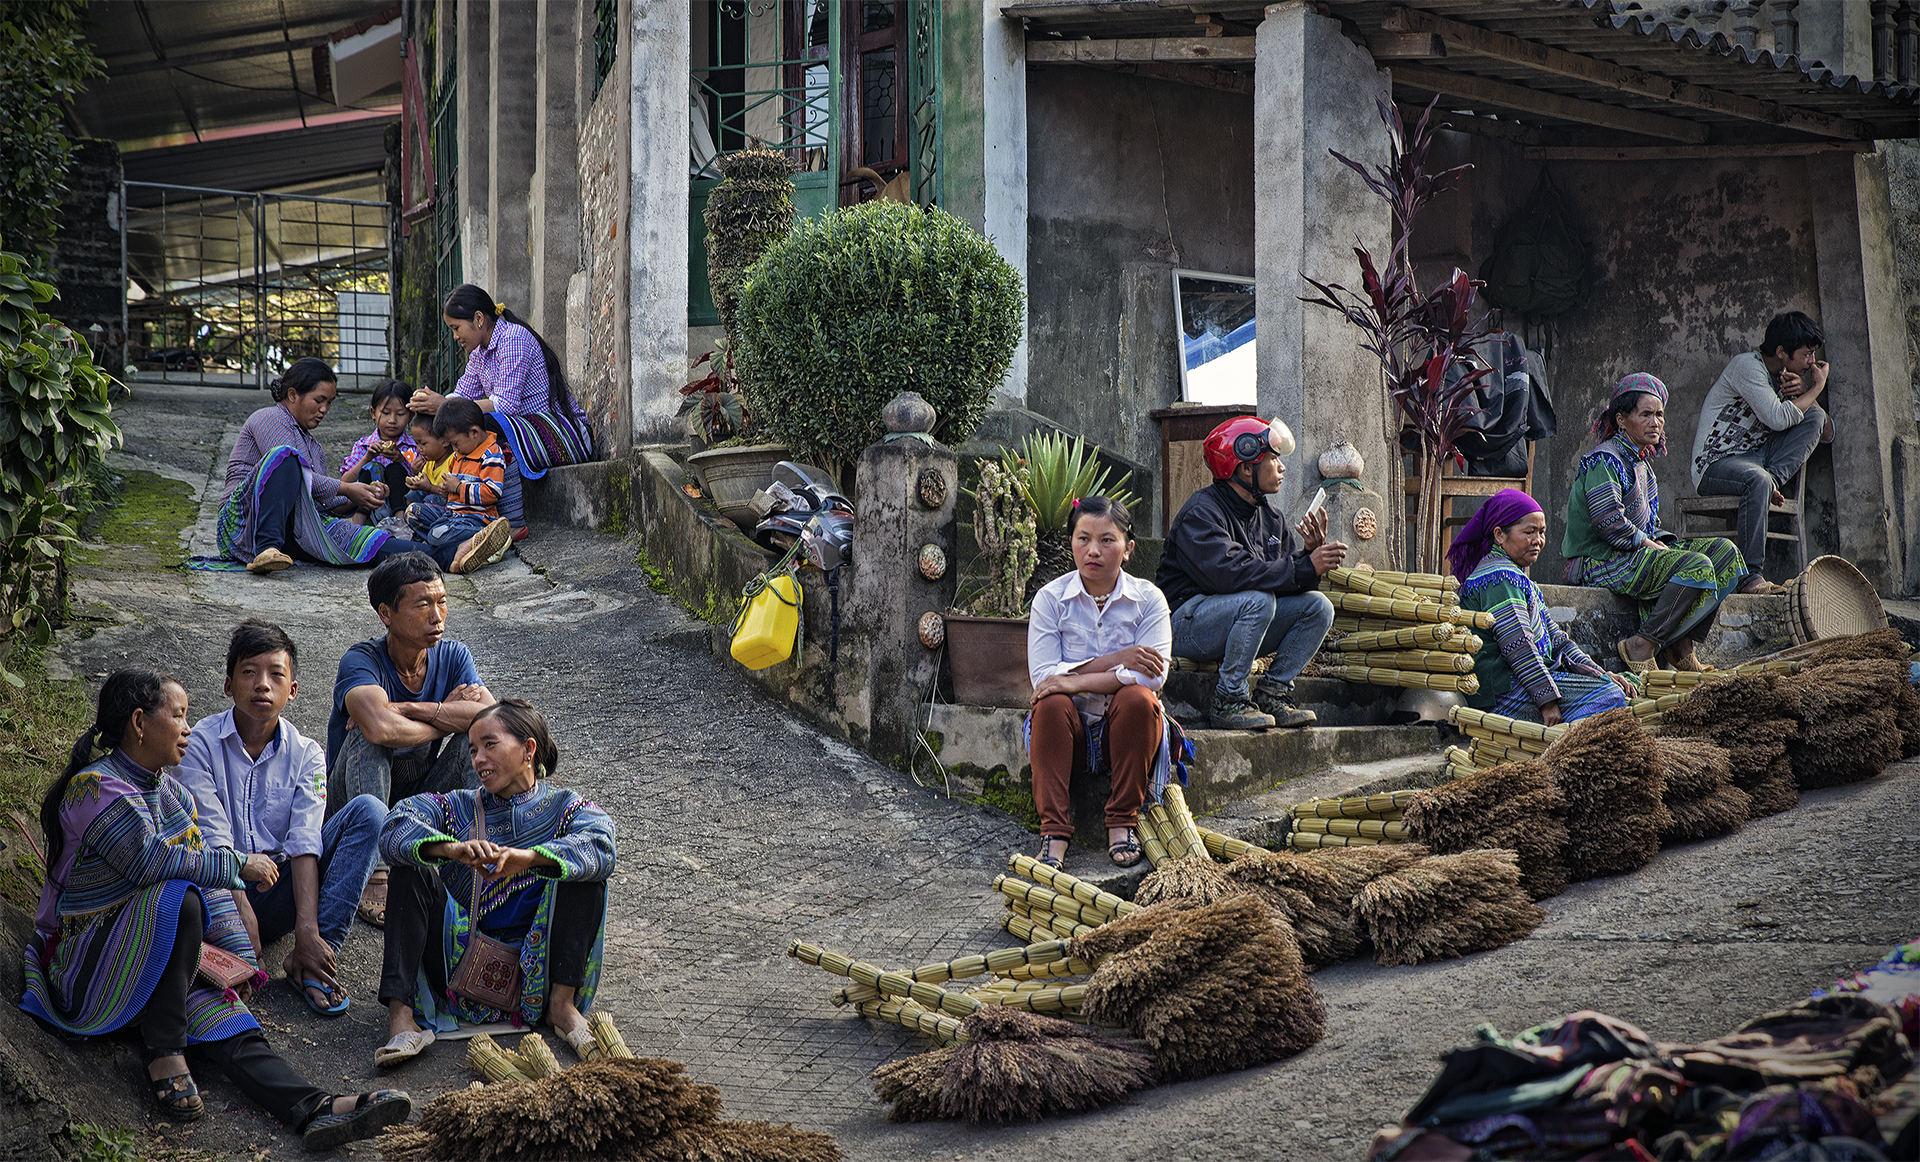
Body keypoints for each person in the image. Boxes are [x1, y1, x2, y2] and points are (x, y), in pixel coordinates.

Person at [22, 670, 410, 1149]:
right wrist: (238, 864)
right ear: (140, 723)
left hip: (157, 961)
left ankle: (315, 1108)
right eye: (179, 716)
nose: (187, 728)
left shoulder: (171, 794)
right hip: (90, 963)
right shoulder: (96, 788)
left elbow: (206, 881)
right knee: (178, 894)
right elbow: (153, 862)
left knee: (228, 1020)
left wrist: (238, 962)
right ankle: (165, 1047)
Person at [374, 699, 615, 1068]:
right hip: (458, 967)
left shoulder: (567, 808)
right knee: (411, 869)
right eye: (473, 750)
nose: (478, 759)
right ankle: (401, 1019)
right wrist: (451, 849)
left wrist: (530, 858)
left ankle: (562, 1007)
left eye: (489, 744)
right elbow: (393, 828)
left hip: (538, 977)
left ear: (528, 749)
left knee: (583, 870)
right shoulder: (457, 808)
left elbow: (603, 845)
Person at [174, 619, 386, 1017]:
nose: (262, 685)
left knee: (371, 812)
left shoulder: (307, 754)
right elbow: (212, 835)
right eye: (249, 672)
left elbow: (304, 841)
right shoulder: (198, 743)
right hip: (217, 888)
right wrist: (240, 909)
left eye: (276, 674)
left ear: (293, 690)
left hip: (278, 888)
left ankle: (313, 960)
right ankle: (232, 949)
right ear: (228, 685)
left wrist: (306, 929)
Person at [329, 552, 494, 927]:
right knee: (368, 738)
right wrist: (446, 717)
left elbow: (490, 718)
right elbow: (379, 730)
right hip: (355, 805)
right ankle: (377, 869)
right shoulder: (361, 660)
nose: (437, 616)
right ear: (386, 613)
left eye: (442, 602)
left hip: (419, 798)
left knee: (480, 741)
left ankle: (484, 854)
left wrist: (411, 709)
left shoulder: (454, 656)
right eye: (422, 605)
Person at [1155, 416, 1344, 730]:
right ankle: (1229, 700)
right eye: (1273, 459)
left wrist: (1308, 557)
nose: (1282, 467)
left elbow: (1283, 580)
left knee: (1318, 607)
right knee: (1258, 599)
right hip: (1185, 625)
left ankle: (1273, 693)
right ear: (1245, 467)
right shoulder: (1201, 512)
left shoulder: (1271, 518)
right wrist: (1303, 565)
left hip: (1238, 621)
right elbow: (1230, 574)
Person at [1027, 497, 1178, 870]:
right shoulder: (1050, 599)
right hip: (1070, 736)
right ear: (1071, 543)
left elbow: (1152, 676)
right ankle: (1054, 832)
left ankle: (1122, 821)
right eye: (1083, 538)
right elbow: (1044, 679)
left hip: (1124, 735)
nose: (1093, 550)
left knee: (1139, 699)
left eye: (1107, 540)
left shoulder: (1148, 600)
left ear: (1128, 548)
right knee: (1051, 704)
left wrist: (1073, 681)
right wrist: (1117, 660)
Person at [1566, 374, 1745, 673]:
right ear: (1621, 420)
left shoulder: (1643, 465)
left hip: (1634, 554)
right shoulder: (1603, 460)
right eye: (1646, 414)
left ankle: (1680, 644)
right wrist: (1648, 543)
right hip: (1601, 561)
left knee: (1726, 553)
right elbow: (1608, 522)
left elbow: (1650, 524)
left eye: (1659, 415)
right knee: (1696, 565)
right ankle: (1642, 644)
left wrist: (1659, 540)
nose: (1656, 422)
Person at [408, 284, 597, 543]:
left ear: (478, 319)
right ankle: (460, 507)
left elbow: (505, 405)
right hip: (524, 431)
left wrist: (444, 405)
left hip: (562, 433)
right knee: (455, 424)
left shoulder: (513, 339)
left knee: (484, 425)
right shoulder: (479, 354)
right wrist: (432, 404)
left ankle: (512, 523)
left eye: (456, 328)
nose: (455, 336)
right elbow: (462, 394)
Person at [216, 358, 433, 575]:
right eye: (319, 400)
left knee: (368, 542)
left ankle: (443, 555)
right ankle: (267, 547)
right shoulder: (268, 418)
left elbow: (323, 500)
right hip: (243, 525)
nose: (324, 409)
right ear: (292, 395)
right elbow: (296, 471)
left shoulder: (315, 448)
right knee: (287, 456)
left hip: (295, 526)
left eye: (329, 402)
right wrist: (347, 488)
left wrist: (362, 495)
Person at [1451, 490, 1635, 726]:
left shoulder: (1517, 576)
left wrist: (1598, 673)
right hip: (1502, 690)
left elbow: (1557, 639)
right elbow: (1518, 646)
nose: (1537, 540)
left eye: (1542, 532)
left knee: (1623, 682)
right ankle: (1560, 740)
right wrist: (1547, 703)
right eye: (1529, 532)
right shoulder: (1499, 578)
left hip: (1523, 682)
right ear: (1499, 535)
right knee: (1609, 697)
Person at [1690, 311, 1832, 594]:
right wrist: (1818, 387)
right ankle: (1749, 578)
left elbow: (1826, 433)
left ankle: (1770, 483)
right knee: (1758, 479)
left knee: (1815, 417)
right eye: (1806, 354)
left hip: (1758, 461)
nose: (1811, 362)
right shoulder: (1747, 366)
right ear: (1781, 352)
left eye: (1813, 354)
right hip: (1717, 463)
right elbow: (1777, 418)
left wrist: (1807, 392)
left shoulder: (1790, 379)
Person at [406, 397, 513, 575]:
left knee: (435, 535)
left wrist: (458, 488)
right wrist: (444, 490)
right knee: (412, 513)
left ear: (474, 432)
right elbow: (451, 494)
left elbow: (492, 493)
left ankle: (486, 534)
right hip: (452, 515)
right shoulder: (459, 455)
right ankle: (466, 546)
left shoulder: (491, 454)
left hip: (476, 518)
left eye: (455, 444)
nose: (454, 449)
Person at [338, 379, 417, 526]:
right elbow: (344, 483)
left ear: (410, 416)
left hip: (404, 509)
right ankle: (357, 527)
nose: (392, 420)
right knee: (370, 468)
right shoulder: (363, 446)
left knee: (395, 469)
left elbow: (423, 482)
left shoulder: (414, 447)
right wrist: (366, 458)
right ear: (373, 413)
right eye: (386, 413)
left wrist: (402, 461)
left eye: (400, 414)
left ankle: (400, 526)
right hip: (370, 510)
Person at [403, 409, 455, 510]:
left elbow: (449, 494)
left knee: (432, 498)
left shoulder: (453, 461)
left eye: (423, 444)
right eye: (417, 444)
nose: (419, 449)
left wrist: (430, 487)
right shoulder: (429, 463)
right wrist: (415, 475)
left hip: (445, 506)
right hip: (426, 502)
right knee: (413, 494)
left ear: (444, 441)